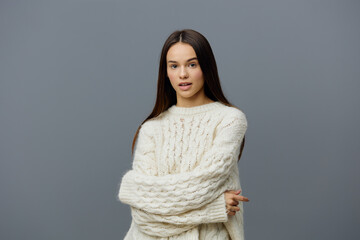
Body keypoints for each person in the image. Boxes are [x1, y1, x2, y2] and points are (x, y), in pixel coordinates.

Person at [118, 29, 249, 240]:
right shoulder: (151, 128)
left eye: (192, 64)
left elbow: (204, 183)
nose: (182, 75)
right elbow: (143, 215)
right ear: (165, 72)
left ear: (206, 67)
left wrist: (155, 198)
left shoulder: (230, 119)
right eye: (174, 66)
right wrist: (213, 209)